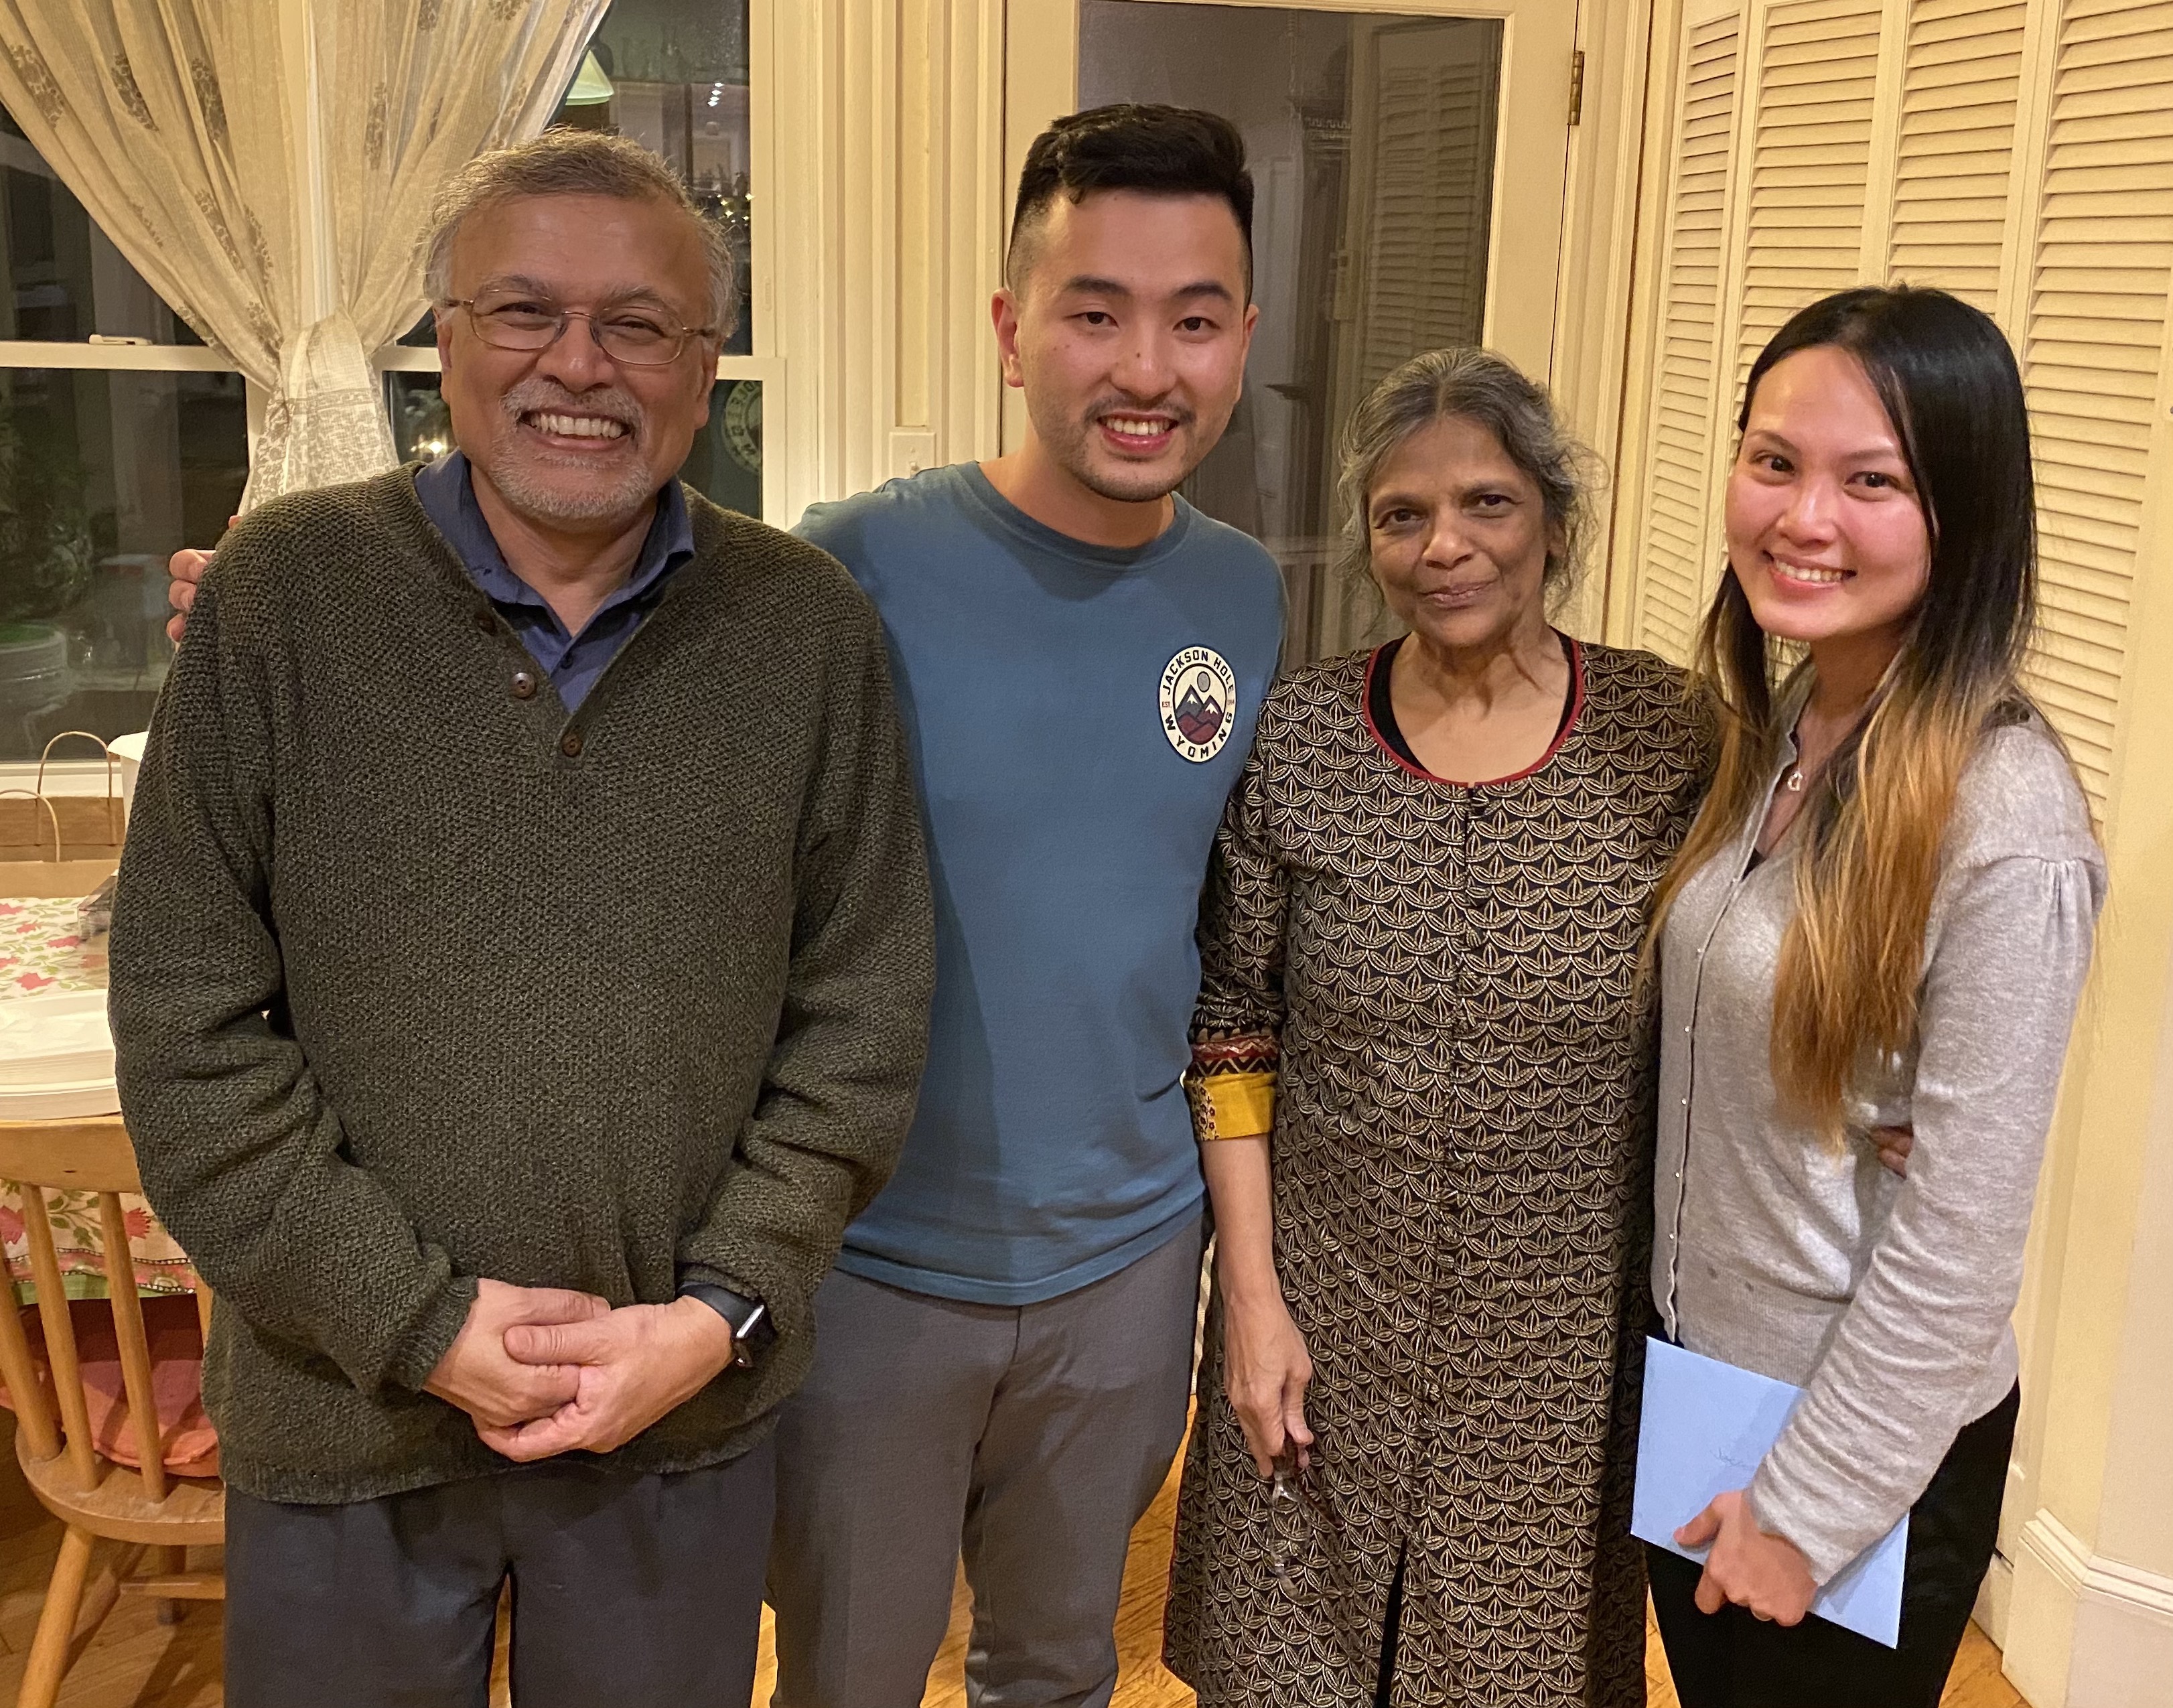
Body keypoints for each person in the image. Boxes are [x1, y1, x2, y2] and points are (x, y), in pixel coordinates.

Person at [165, 102, 1282, 1708]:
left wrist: (1231, 1278)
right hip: (834, 1284)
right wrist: (272, 606)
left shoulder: (1217, 596)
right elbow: (193, 1022)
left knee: (1060, 1663)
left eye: (1192, 319)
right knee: (844, 1670)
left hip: (1040, 1279)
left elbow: (1128, 950)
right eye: (1093, 309)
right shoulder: (835, 579)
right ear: (1009, 327)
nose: (1143, 365)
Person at [111, 129, 932, 1708]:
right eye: (522, 311)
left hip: (675, 1425)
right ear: (445, 341)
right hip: (341, 1412)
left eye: (636, 324)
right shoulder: (284, 596)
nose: (578, 364)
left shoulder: (807, 634)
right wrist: (418, 1321)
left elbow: (862, 1021)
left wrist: (714, 1316)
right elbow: (187, 1031)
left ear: (705, 369)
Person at [1161, 348, 1710, 1708]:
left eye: (1486, 505)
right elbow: (1232, 1028)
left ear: (1555, 526)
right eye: (1401, 516)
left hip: (1560, 1351)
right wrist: (1249, 1306)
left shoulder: (1666, 740)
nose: (1441, 546)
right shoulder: (1297, 742)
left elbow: (1763, 965)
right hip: (1320, 1311)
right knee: (1287, 1665)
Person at [1640, 285, 2105, 1706]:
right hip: (1706, 1390)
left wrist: (1807, 1508)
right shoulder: (1789, 720)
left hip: (1847, 1454)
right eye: (1773, 461)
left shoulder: (2001, 814)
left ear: (1960, 514)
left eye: (1871, 482)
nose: (1802, 519)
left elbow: (1959, 1245)